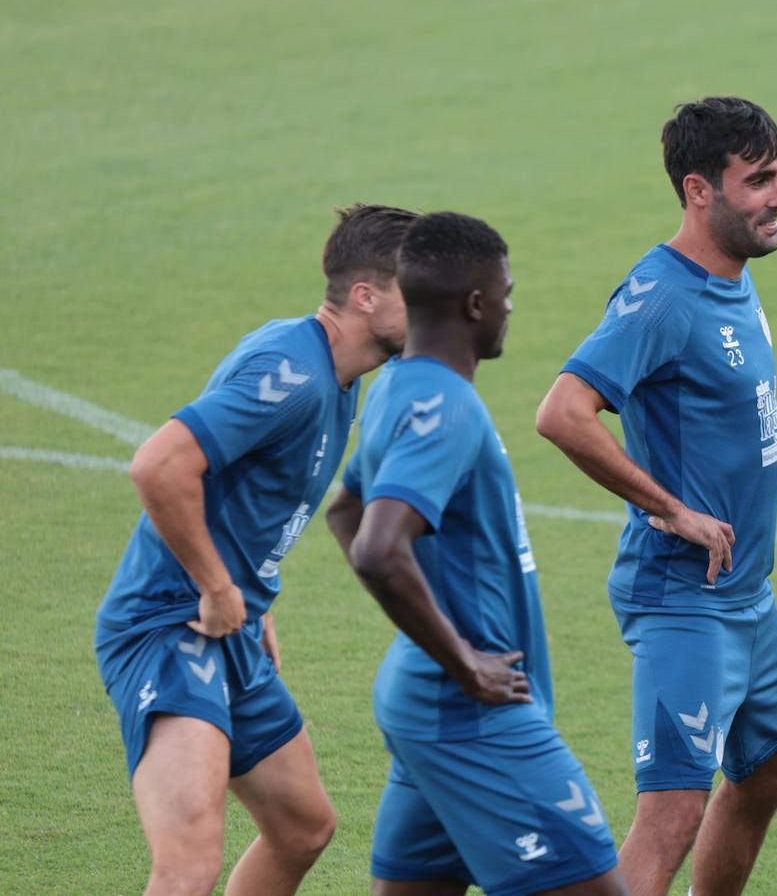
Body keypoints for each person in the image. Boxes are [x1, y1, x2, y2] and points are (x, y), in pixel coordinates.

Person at [94, 204, 418, 895]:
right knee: (186, 868)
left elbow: (244, 491)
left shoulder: (337, 374)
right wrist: (216, 585)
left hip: (230, 628)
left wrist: (248, 595)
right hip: (169, 628)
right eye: (417, 290)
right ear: (365, 296)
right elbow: (160, 465)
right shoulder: (293, 375)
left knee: (303, 826)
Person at [536, 97, 777, 896]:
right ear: (699, 190)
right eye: (757, 180)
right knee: (671, 818)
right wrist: (671, 508)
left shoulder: (733, 279)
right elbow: (562, 412)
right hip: (685, 598)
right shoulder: (663, 295)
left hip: (746, 596)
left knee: (770, 768)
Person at [325, 211, 627, 896]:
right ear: (475, 304)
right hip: (473, 714)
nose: (512, 306)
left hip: (421, 699)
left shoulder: (393, 389)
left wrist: (428, 623)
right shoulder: (447, 407)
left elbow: (345, 509)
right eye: (508, 292)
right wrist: (462, 659)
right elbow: (375, 547)